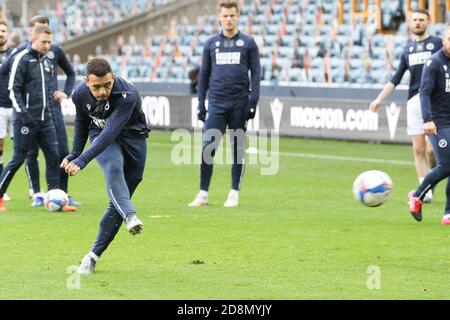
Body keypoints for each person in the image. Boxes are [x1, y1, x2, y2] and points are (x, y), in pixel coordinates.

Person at [62, 58, 150, 275]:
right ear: (86, 82)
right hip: (100, 136)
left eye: (107, 85)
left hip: (134, 138)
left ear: (113, 77)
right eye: (96, 87)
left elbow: (112, 131)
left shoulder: (127, 95)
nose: (102, 92)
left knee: (118, 200)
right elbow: (83, 122)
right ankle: (130, 215)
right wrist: (75, 153)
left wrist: (82, 160)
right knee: (113, 169)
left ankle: (92, 256)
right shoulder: (79, 94)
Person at [188, 0, 260, 208]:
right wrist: (201, 103)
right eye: (225, 15)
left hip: (239, 103)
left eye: (232, 15)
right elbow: (204, 77)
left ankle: (234, 194)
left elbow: (256, 75)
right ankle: (203, 194)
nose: (228, 19)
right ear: (219, 17)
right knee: (207, 148)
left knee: (237, 149)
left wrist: (253, 102)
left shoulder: (248, 43)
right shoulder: (211, 44)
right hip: (217, 103)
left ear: (238, 17)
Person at [369, 9, 442, 203]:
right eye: (415, 20)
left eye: (421, 20)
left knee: (431, 150)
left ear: (429, 22)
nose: (417, 23)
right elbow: (395, 78)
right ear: (410, 23)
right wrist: (379, 99)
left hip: (434, 101)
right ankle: (425, 192)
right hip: (413, 102)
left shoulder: (438, 44)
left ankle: (431, 182)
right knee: (418, 150)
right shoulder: (407, 50)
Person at [0, 26, 71, 211]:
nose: (47, 46)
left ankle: (56, 199)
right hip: (25, 120)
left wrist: (48, 114)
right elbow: (13, 90)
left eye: (49, 42)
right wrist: (24, 115)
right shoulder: (22, 59)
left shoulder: (47, 62)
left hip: (45, 120)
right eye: (43, 42)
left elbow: (46, 91)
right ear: (33, 39)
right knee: (18, 159)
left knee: (54, 157)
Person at [22, 16, 78, 207]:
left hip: (53, 108)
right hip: (32, 110)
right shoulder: (23, 53)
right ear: (32, 31)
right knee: (31, 153)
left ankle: (62, 193)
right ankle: (37, 193)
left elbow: (71, 72)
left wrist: (66, 92)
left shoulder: (55, 50)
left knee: (62, 150)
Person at [409, 26, 450, 225]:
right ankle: (417, 196)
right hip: (439, 122)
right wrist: (427, 119)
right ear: (444, 40)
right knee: (445, 165)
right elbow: (424, 93)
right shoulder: (434, 62)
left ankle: (448, 213)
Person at [0, 20, 13, 202]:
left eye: (3, 31)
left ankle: (34, 191)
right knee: (0, 147)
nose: (1, 34)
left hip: (16, 108)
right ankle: (2, 187)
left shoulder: (14, 54)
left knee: (24, 150)